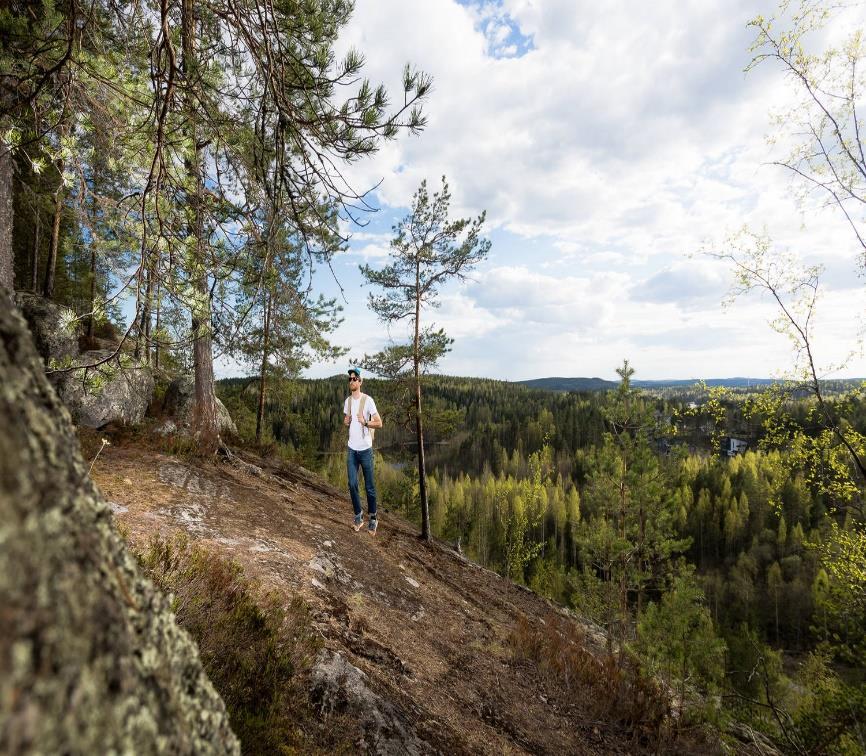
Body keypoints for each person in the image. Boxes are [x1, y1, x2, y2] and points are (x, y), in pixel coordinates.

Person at [343, 367, 383, 534]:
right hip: (352, 449)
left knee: (369, 487)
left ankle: (373, 518)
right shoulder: (348, 401)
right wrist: (346, 421)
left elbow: (379, 423)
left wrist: (365, 422)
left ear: (360, 381)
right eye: (350, 379)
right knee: (352, 484)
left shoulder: (368, 400)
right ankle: (358, 516)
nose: (352, 381)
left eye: (355, 378)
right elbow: (347, 422)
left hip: (366, 450)